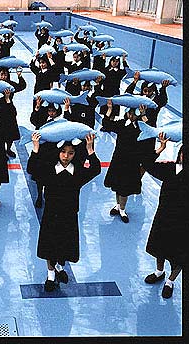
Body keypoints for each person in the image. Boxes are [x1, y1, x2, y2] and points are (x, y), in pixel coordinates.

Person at [27, 132, 101, 292]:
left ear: (75, 154)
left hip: (69, 216)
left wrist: (90, 149)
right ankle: (50, 275)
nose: (66, 156)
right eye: (63, 152)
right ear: (58, 152)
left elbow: (96, 169)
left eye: (70, 153)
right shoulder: (49, 170)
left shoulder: (78, 172)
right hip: (51, 215)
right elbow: (31, 168)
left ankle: (60, 267)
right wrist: (35, 148)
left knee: (64, 246)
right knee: (50, 247)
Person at [142, 140, 185, 299]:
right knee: (159, 247)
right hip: (164, 216)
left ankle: (170, 281)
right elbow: (147, 163)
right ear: (180, 154)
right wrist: (160, 148)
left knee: (180, 254)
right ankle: (159, 272)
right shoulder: (169, 168)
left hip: (184, 222)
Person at [102, 99, 149, 223]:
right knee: (118, 185)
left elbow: (150, 130)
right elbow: (106, 124)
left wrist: (143, 115)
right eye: (130, 113)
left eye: (135, 114)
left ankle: (122, 209)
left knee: (125, 188)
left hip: (132, 162)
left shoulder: (141, 126)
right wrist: (110, 109)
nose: (132, 116)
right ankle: (118, 206)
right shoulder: (121, 124)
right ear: (127, 113)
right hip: (118, 159)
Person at [29, 98, 64, 208]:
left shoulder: (61, 123)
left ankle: (49, 196)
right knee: (39, 177)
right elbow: (33, 120)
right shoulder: (43, 119)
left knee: (52, 177)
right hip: (42, 152)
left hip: (54, 153)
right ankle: (39, 196)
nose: (51, 113)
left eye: (53, 111)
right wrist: (37, 107)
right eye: (49, 111)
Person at [0, 66, 26, 158]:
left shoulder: (10, 84)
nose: (3, 77)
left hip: (9, 109)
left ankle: (8, 149)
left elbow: (22, 86)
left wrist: (19, 75)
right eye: (1, 75)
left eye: (5, 75)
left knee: (10, 133)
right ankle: (2, 151)